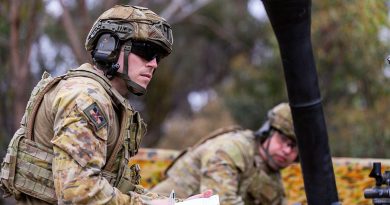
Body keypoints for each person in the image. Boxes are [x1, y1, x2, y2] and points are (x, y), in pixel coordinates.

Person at [0, 5, 211, 205]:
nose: (154, 64)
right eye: (146, 51)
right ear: (108, 47)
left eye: (158, 57)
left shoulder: (107, 101)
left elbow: (114, 186)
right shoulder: (86, 98)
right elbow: (79, 192)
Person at [151, 102, 299, 205]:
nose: (287, 150)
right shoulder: (231, 149)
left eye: (295, 147)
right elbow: (219, 201)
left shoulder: (273, 178)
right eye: (283, 140)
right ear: (268, 132)